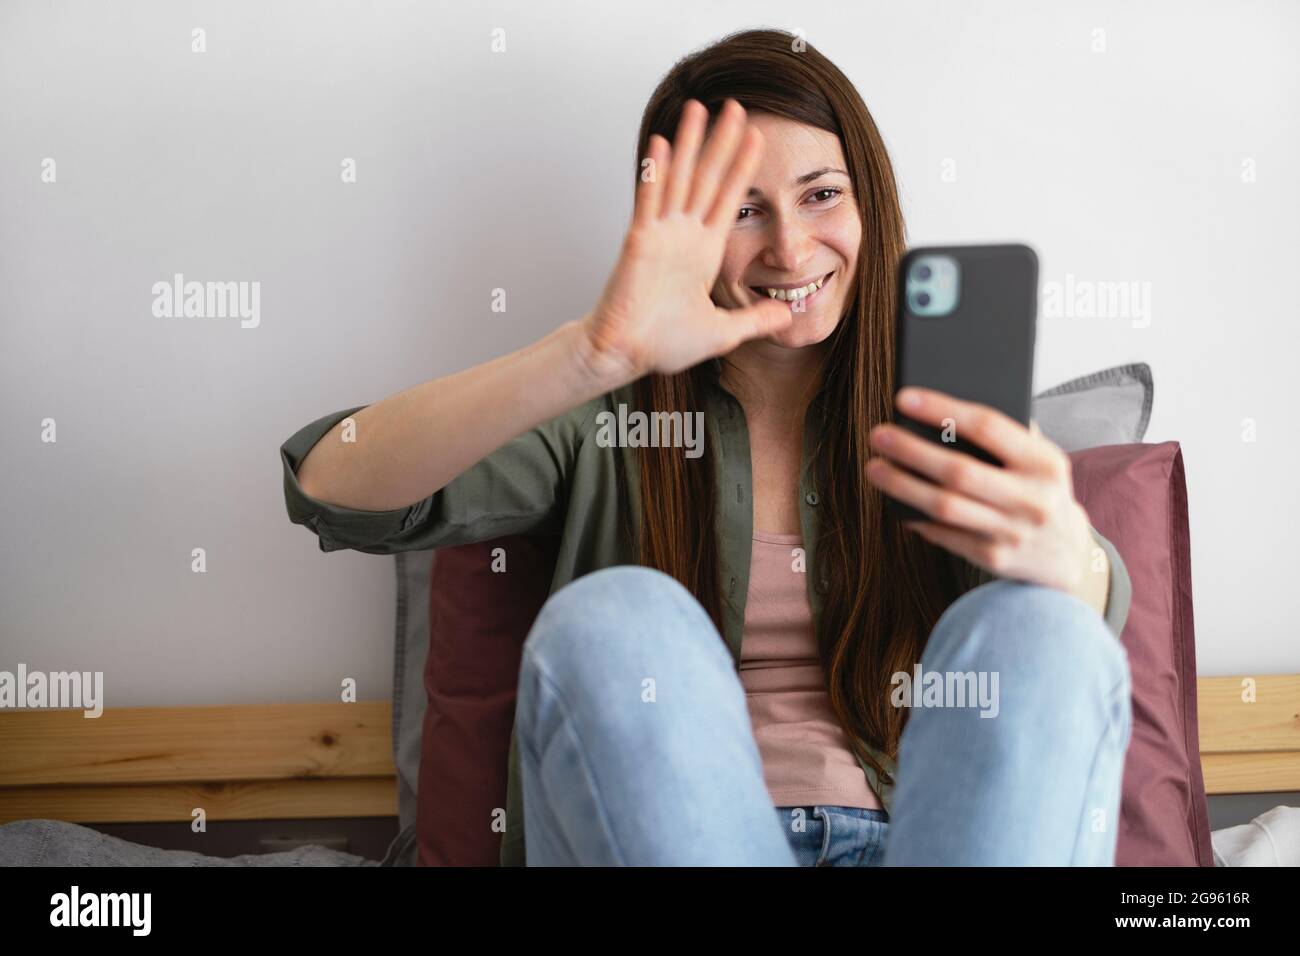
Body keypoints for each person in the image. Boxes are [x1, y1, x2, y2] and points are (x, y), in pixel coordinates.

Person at [280, 28, 1133, 867]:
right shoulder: (607, 420)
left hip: (914, 842)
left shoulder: (943, 416)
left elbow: (1061, 662)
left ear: (869, 199)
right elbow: (330, 482)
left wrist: (1071, 560)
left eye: (821, 195)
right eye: (742, 211)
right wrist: (588, 356)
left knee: (1045, 625)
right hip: (670, 840)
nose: (793, 249)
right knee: (612, 622)